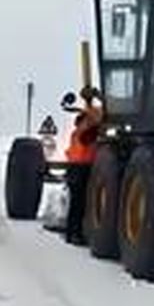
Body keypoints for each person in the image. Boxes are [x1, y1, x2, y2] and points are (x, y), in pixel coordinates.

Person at [62, 86, 104, 246]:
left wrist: (91, 100)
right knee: (79, 203)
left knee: (77, 203)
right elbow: (93, 131)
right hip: (80, 168)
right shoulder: (86, 131)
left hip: (75, 168)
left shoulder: (80, 129)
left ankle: (72, 232)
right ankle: (75, 234)